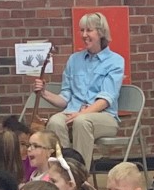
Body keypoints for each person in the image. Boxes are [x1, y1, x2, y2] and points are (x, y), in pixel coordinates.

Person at [36, 11, 125, 163]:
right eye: (82, 30)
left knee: (82, 122)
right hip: (73, 113)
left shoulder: (115, 61)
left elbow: (106, 99)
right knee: (55, 121)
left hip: (104, 116)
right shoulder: (74, 60)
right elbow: (65, 98)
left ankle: (79, 174)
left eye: (89, 30)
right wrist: (44, 93)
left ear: (101, 33)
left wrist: (82, 114)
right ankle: (63, 169)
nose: (84, 35)